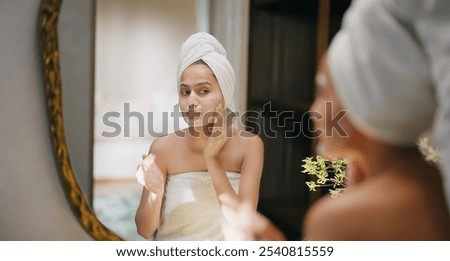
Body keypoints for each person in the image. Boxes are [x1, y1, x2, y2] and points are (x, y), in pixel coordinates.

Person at [222, 0, 450, 240]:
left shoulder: (338, 218)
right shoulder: (432, 180)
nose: (312, 111)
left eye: (322, 92)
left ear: (364, 97)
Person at [134, 32, 264, 240]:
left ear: (225, 94)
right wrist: (155, 190)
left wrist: (211, 159)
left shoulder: (249, 147)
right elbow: (145, 230)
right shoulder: (162, 148)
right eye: (185, 92)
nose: (191, 101)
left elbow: (244, 227)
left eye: (203, 91)